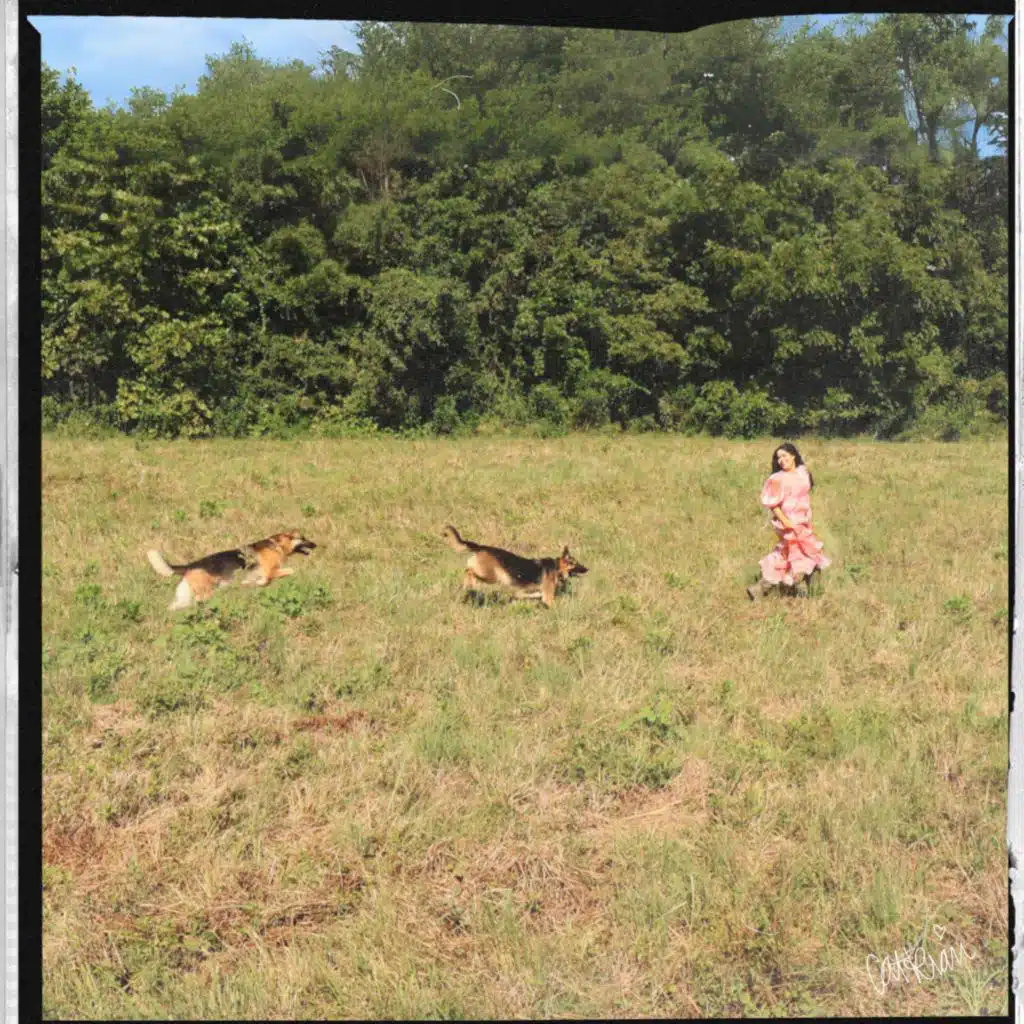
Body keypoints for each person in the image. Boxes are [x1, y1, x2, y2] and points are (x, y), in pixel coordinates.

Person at [747, 442, 830, 600]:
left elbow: (805, 493)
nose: (781, 460)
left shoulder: (803, 472)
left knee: (789, 554)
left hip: (803, 522)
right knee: (799, 554)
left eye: (784, 455)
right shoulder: (777, 478)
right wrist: (786, 522)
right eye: (778, 458)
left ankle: (759, 589)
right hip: (789, 523)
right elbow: (773, 505)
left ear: (793, 455)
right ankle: (800, 590)